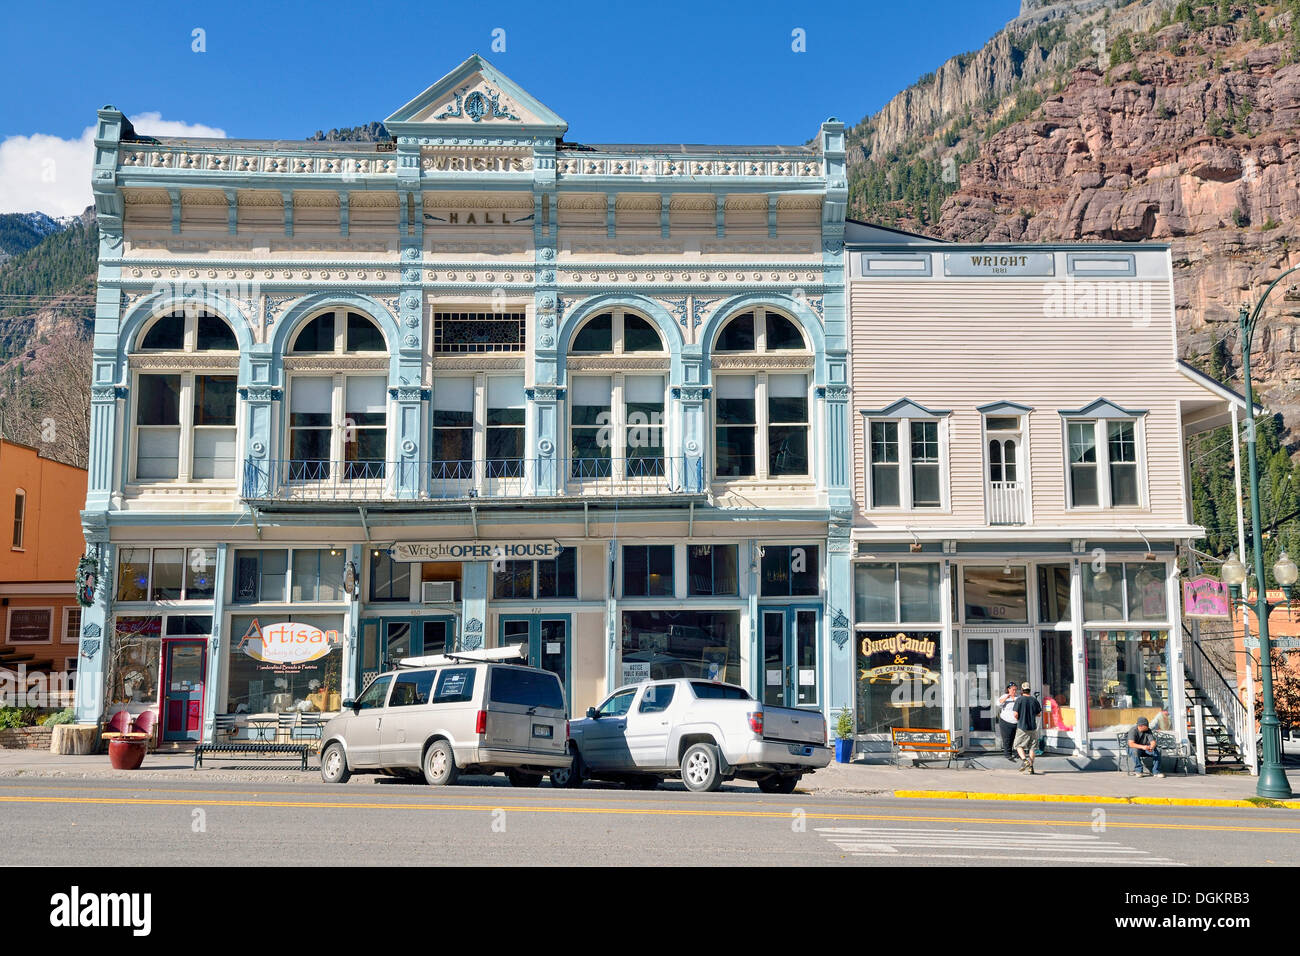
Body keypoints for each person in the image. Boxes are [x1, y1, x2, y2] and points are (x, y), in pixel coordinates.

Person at [1012, 681, 1043, 773]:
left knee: (1018, 745)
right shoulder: (1034, 700)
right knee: (1032, 747)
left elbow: (1015, 714)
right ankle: (1031, 767)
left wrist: (1019, 718)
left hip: (1022, 727)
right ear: (1029, 690)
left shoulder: (1019, 700)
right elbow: (1039, 714)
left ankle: (1025, 761)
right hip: (1033, 727)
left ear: (1022, 690)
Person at [995, 682, 1020, 762]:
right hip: (1005, 720)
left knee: (1017, 738)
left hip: (1016, 721)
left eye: (1015, 690)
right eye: (1013, 689)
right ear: (1008, 689)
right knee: (1007, 738)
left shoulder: (1018, 697)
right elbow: (998, 703)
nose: (1014, 691)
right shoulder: (1004, 696)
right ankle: (1008, 754)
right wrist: (1007, 697)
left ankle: (1017, 753)